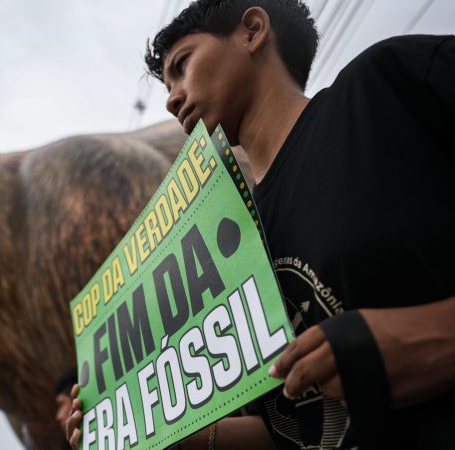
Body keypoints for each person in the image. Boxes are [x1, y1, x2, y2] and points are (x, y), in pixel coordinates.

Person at [64, 0, 455, 449]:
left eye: (182, 65)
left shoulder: (385, 89)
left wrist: (432, 338)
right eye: (167, 84)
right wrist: (148, 435)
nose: (171, 98)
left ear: (252, 31)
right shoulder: (229, 239)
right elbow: (294, 429)